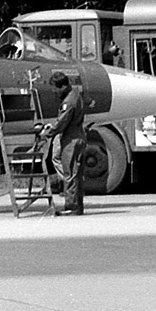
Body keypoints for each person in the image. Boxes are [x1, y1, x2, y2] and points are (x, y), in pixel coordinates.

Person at [42, 70, 86, 215]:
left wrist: (48, 132)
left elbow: (62, 122)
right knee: (76, 174)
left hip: (71, 139)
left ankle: (72, 207)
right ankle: (78, 206)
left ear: (61, 86)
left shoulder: (69, 102)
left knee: (70, 174)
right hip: (78, 136)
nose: (54, 91)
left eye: (55, 88)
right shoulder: (75, 93)